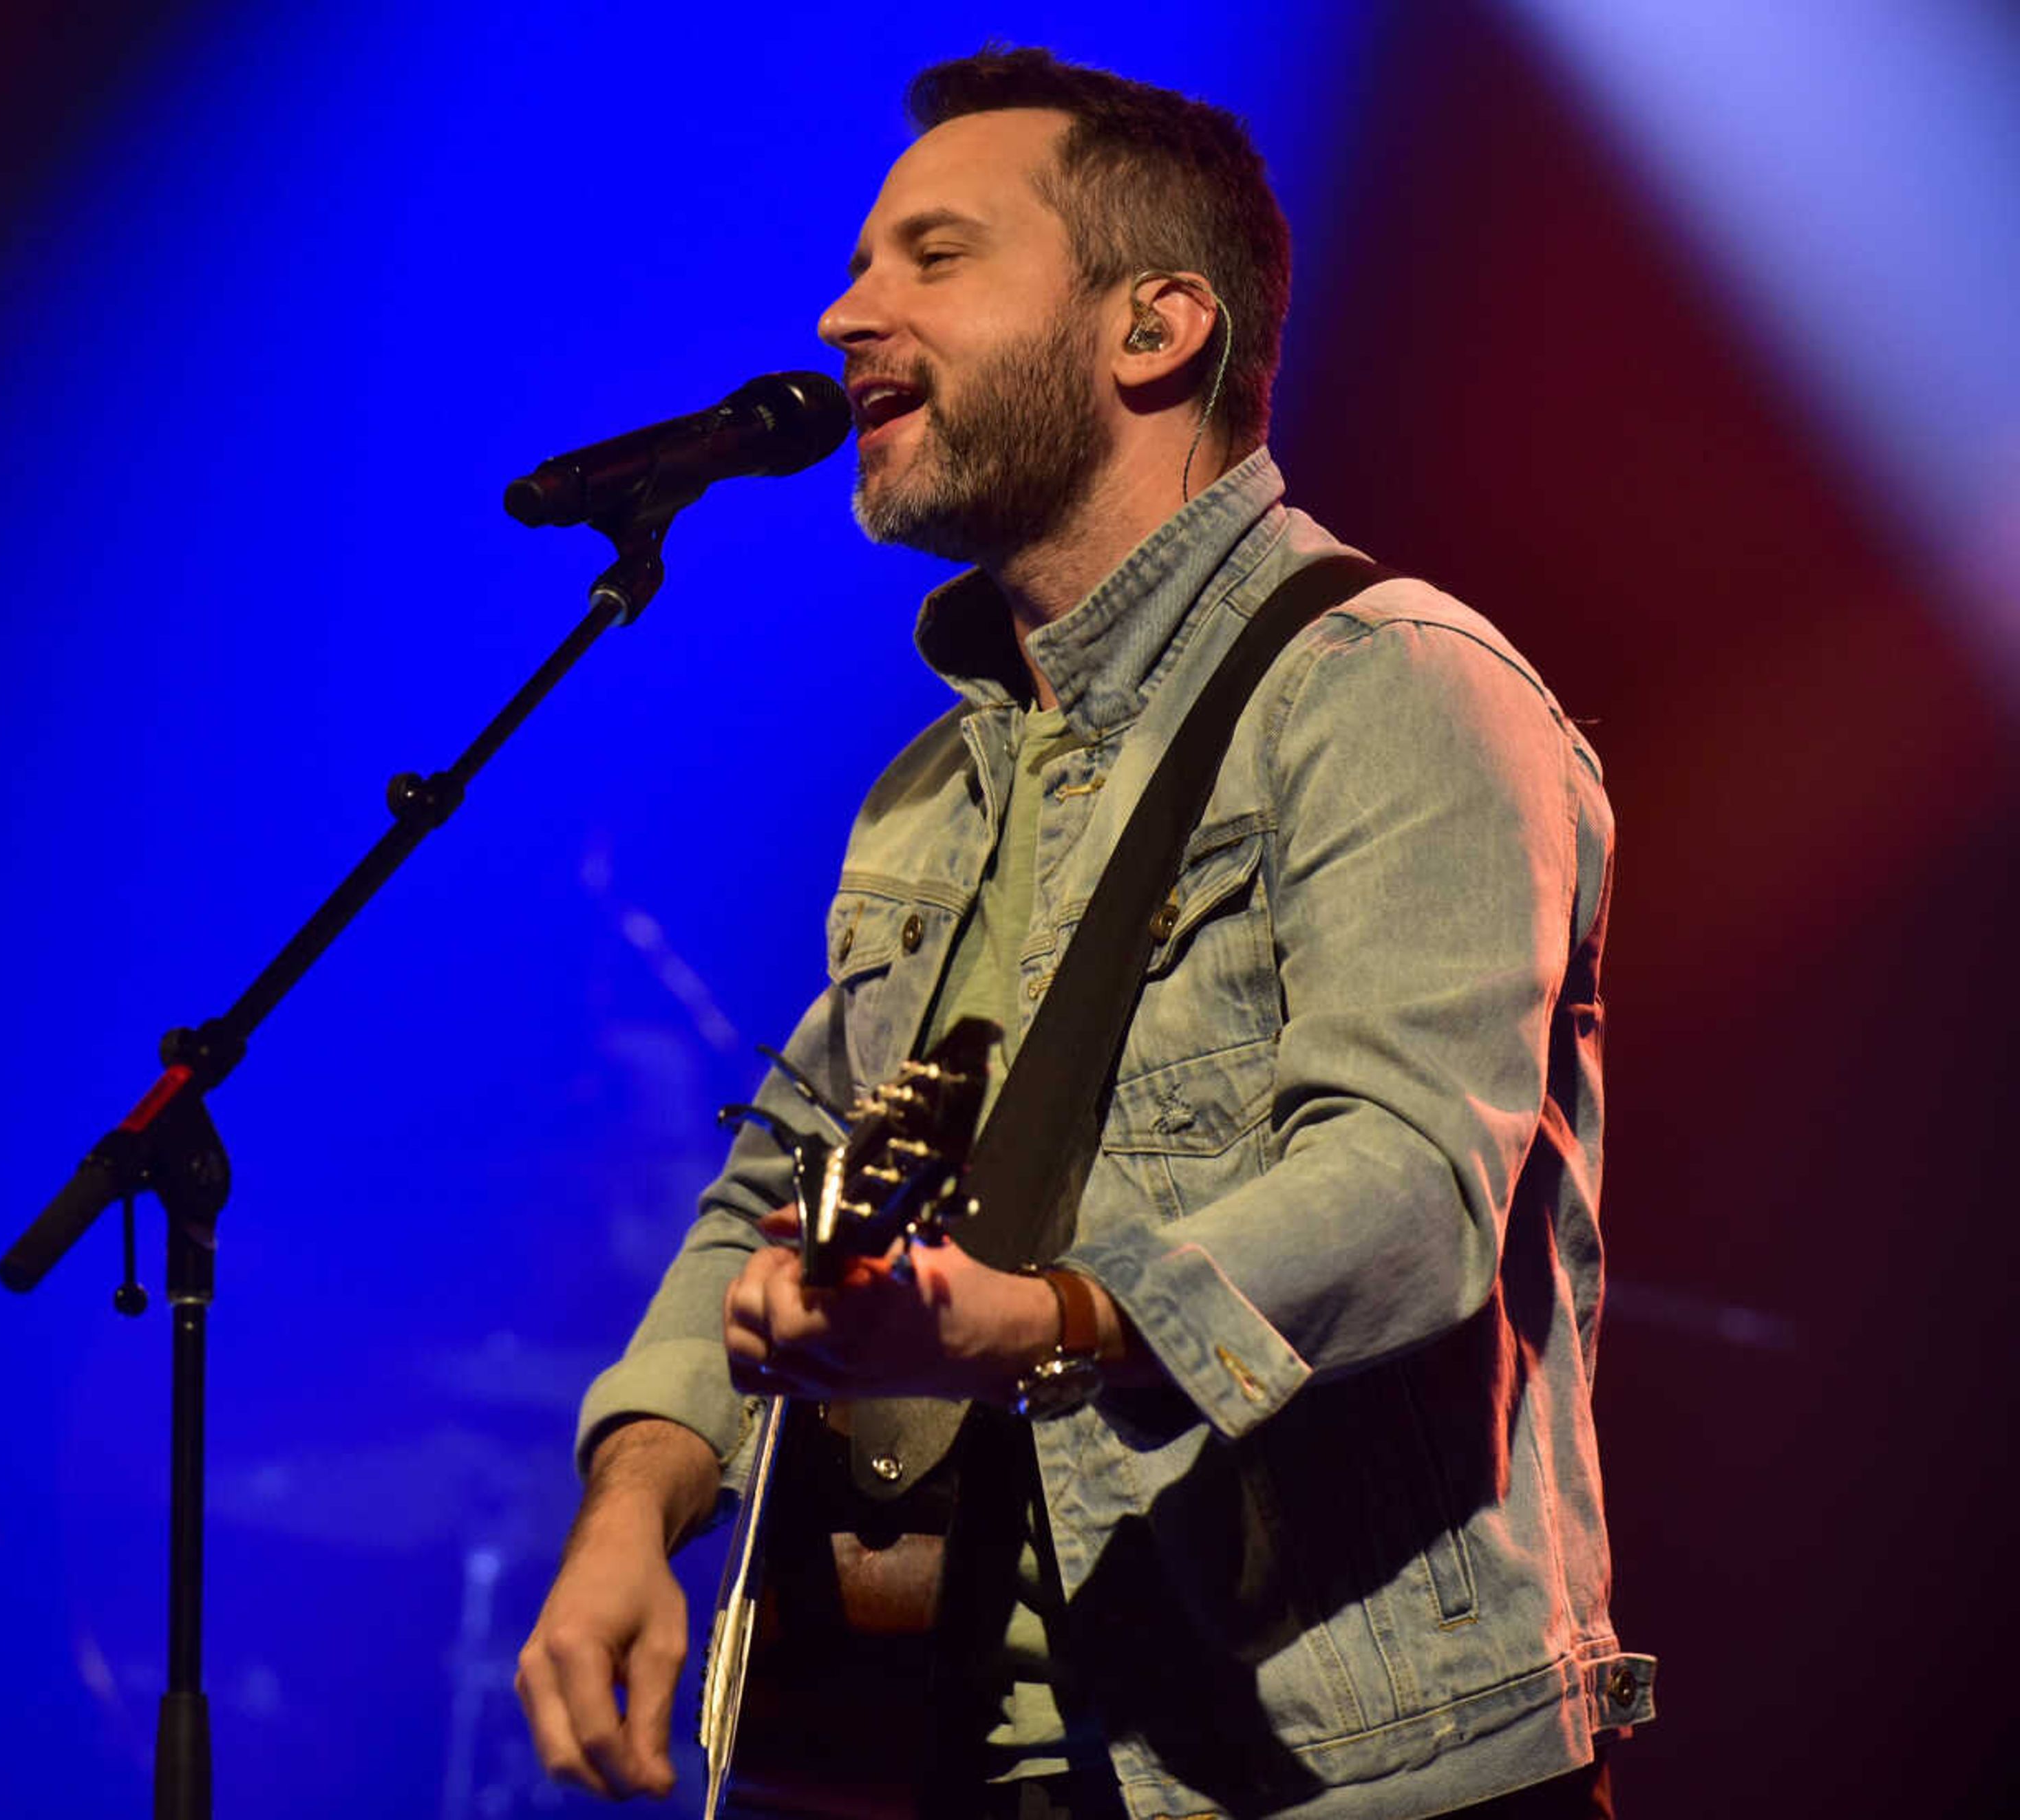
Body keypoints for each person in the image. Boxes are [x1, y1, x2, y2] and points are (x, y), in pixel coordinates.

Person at [513, 46, 1652, 1820]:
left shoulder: (1393, 691)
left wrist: (1037, 1321)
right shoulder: (932, 796)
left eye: (932, 257)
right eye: (863, 261)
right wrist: (634, 1504)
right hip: (969, 1766)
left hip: (1344, 1773)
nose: (842, 312)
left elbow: (1416, 1181)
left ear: (1156, 328)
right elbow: (778, 1182)